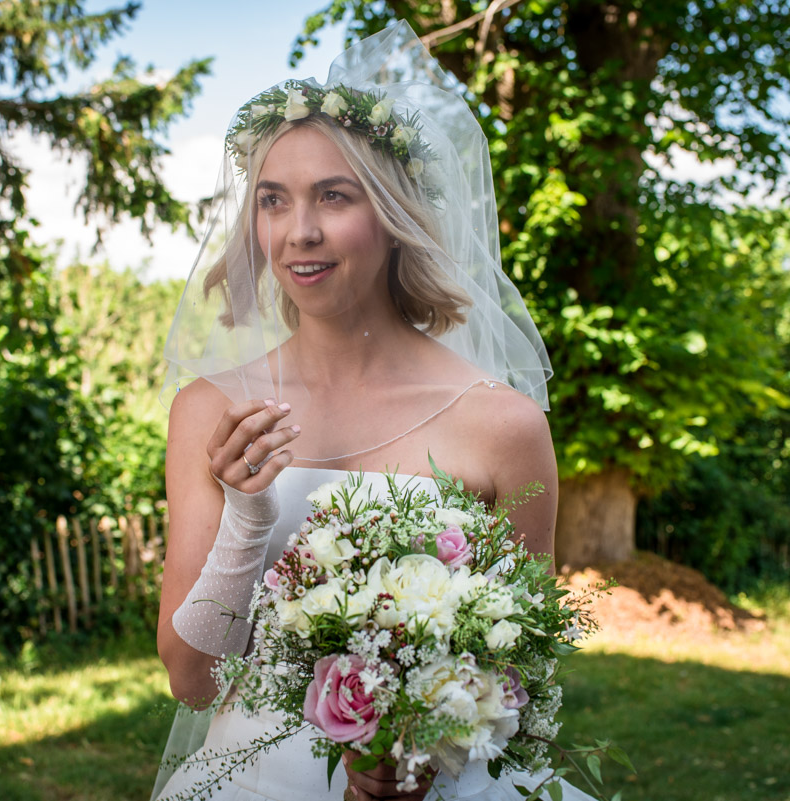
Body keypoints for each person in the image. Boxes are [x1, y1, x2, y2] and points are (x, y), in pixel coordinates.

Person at [152, 21, 589, 801]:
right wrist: (248, 519)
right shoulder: (211, 411)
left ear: (391, 214)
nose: (300, 232)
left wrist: (410, 757)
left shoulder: (503, 425)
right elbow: (190, 679)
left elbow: (523, 674)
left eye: (334, 196)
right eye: (273, 202)